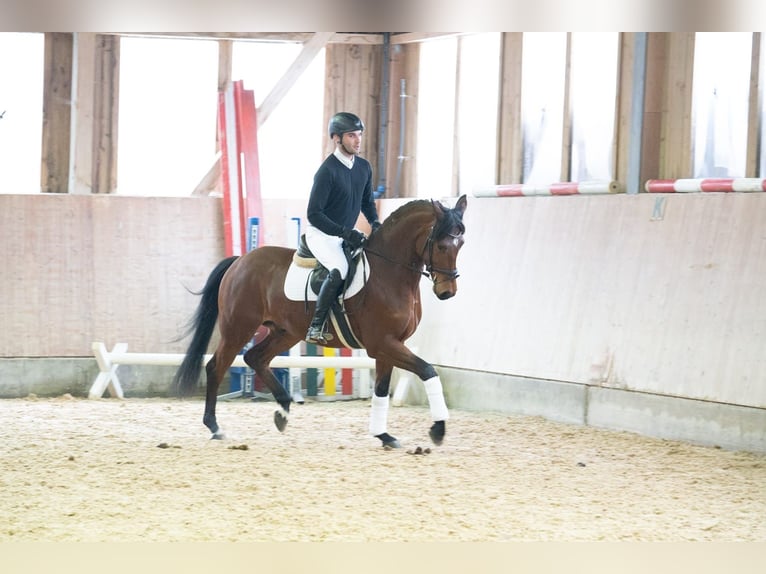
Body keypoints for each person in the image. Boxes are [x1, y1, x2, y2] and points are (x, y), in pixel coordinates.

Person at [304, 112, 381, 344]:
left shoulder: (364, 168)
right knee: (340, 267)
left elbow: (367, 202)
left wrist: (375, 222)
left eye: (359, 135)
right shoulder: (327, 171)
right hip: (322, 235)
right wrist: (345, 232)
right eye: (351, 136)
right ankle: (315, 327)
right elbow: (313, 214)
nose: (358, 140)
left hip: (344, 234)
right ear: (337, 138)